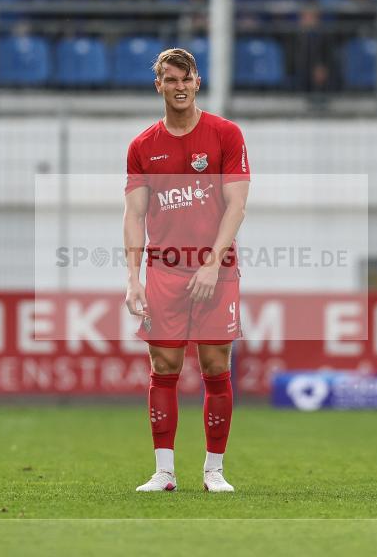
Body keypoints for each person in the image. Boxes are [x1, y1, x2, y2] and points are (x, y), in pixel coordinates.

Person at [125, 48, 250, 493]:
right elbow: (134, 214)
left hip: (218, 269)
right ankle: (164, 472)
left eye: (186, 79)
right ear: (158, 85)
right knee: (164, 364)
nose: (179, 87)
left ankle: (214, 470)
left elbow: (237, 206)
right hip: (165, 270)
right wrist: (133, 278)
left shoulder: (226, 134)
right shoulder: (142, 146)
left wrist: (212, 264)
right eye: (170, 79)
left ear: (198, 82)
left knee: (215, 364)